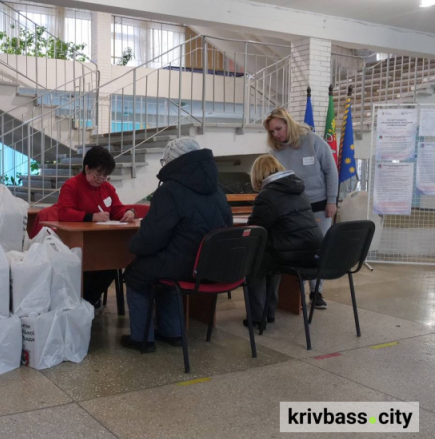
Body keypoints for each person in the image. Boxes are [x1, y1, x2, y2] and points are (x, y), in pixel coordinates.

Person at [123, 137, 232, 352]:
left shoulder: (170, 190)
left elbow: (151, 237)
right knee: (165, 274)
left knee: (136, 274)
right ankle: (173, 332)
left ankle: (142, 339)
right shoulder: (217, 189)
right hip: (211, 266)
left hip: (183, 265)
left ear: (173, 163)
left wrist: (133, 246)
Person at [263, 107, 338, 309]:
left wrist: (332, 200)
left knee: (318, 248)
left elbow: (331, 171)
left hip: (319, 204)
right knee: (297, 249)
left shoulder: (313, 141)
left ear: (289, 123)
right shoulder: (275, 151)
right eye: (272, 131)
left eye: (278, 128)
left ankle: (317, 291)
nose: (276, 134)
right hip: (293, 208)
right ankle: (295, 294)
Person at [246, 154, 323, 328]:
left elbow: (255, 230)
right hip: (312, 251)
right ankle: (270, 312)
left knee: (256, 263)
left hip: (291, 252)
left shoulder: (268, 194)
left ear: (258, 174)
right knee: (271, 259)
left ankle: (257, 318)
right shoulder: (297, 189)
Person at [57, 146, 136, 310]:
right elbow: (64, 212)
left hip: (102, 243)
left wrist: (128, 213)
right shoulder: (71, 186)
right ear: (87, 168)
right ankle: (83, 302)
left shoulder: (107, 188)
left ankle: (88, 301)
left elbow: (117, 209)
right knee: (90, 266)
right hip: (78, 243)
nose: (101, 179)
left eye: (105, 176)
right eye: (98, 174)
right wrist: (91, 217)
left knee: (112, 264)